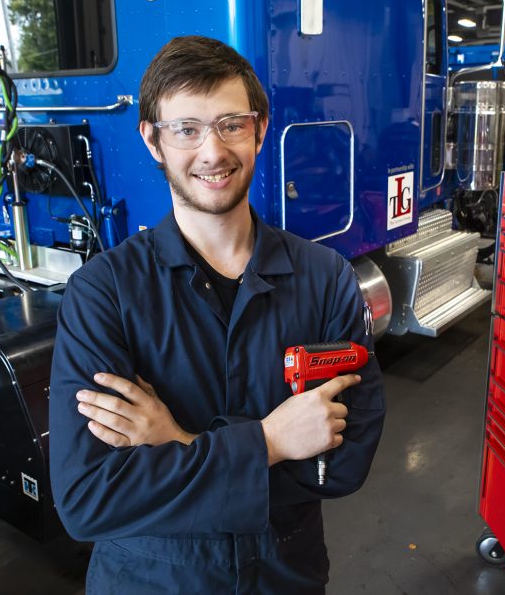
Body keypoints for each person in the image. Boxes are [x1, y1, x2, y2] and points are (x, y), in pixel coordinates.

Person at [48, 35, 386, 594]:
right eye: (186, 129)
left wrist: (176, 444)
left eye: (230, 123)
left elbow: (345, 464)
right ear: (153, 141)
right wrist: (272, 443)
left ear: (259, 128)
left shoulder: (326, 278)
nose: (211, 151)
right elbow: (90, 498)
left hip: (285, 578)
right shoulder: (101, 294)